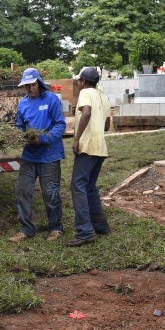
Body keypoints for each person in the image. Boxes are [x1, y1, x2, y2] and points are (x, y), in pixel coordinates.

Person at [9, 68, 67, 243]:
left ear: (39, 83)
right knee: (23, 191)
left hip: (50, 154)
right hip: (29, 155)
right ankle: (26, 228)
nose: (30, 88)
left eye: (33, 85)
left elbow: (60, 124)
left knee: (50, 193)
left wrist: (43, 138)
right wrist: (19, 136)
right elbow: (20, 126)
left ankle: (56, 227)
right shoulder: (23, 103)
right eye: (26, 86)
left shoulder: (51, 100)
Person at [68, 67, 112, 247]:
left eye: (79, 81)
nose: (78, 84)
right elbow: (107, 126)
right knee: (90, 187)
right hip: (100, 148)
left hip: (87, 146)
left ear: (83, 81)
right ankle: (100, 225)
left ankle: (85, 231)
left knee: (77, 186)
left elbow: (86, 112)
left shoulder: (85, 92)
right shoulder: (104, 97)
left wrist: (77, 138)